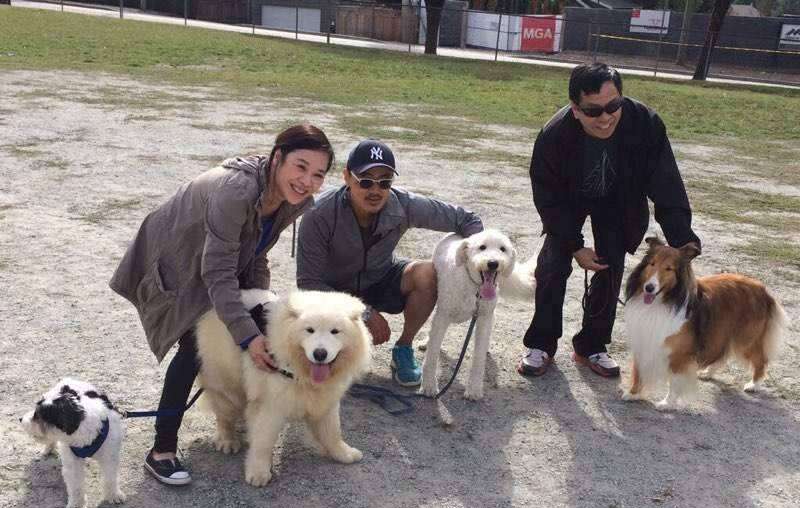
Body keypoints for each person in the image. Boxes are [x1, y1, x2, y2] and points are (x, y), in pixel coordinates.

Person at [110, 124, 335, 485]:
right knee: (193, 345)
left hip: (217, 258)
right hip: (177, 257)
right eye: (300, 166)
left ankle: (237, 414)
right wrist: (247, 334)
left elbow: (257, 252)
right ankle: (161, 450)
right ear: (277, 158)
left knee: (250, 325)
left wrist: (260, 306)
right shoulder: (238, 191)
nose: (307, 180)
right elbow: (216, 273)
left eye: (318, 174)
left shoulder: (288, 198)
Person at [519, 63, 701, 379]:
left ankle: (592, 344)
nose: (605, 117)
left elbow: (666, 182)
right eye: (593, 111)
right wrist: (574, 245)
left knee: (610, 264)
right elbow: (547, 197)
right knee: (553, 264)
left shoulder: (645, 124)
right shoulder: (554, 136)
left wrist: (682, 236)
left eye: (613, 106)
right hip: (568, 199)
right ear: (576, 109)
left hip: (619, 200)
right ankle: (541, 344)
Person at [296, 139, 483, 387]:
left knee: (426, 273)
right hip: (333, 293)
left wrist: (479, 264)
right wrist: (365, 313)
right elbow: (308, 283)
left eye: (384, 182)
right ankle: (329, 352)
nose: (375, 190)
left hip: (380, 279)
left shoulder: (403, 204)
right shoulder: (318, 213)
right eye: (365, 181)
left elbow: (467, 219)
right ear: (347, 178)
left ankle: (403, 349)